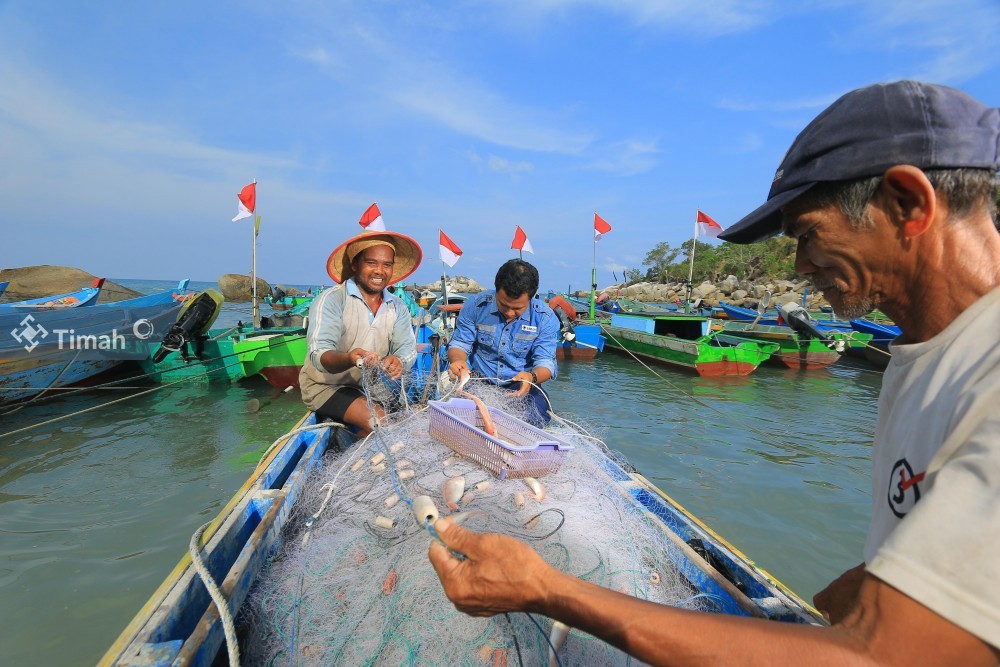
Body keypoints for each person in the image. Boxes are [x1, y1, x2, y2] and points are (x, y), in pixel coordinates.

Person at [429, 80, 1000, 664]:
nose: (801, 266)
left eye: (807, 234)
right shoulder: (923, 358)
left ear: (907, 204)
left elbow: (882, 657)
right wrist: (879, 575)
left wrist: (546, 589)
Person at [299, 229, 422, 437]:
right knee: (380, 422)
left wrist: (399, 361)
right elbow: (319, 354)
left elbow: (407, 349)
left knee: (410, 427)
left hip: (372, 388)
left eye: (387, 265)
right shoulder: (332, 300)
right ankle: (357, 454)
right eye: (371, 263)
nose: (379, 271)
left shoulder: (398, 306)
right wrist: (349, 358)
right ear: (355, 264)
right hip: (325, 386)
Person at [446, 259, 560, 427]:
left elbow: (545, 363)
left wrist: (531, 377)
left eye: (517, 309)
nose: (509, 313)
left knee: (535, 418)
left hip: (522, 386)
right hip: (479, 381)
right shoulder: (476, 306)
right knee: (460, 419)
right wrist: (458, 360)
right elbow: (460, 343)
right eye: (503, 305)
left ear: (531, 297)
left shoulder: (545, 318)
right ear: (496, 290)